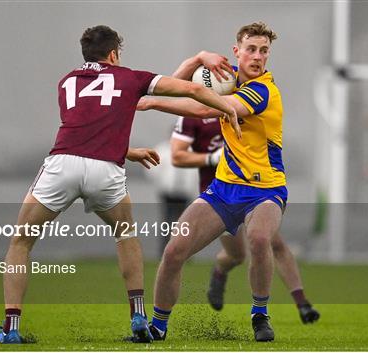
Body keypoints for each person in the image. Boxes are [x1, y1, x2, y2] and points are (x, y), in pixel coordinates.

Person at [0, 25, 239, 345]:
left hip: (63, 166)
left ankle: (11, 328)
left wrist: (126, 150)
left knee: (20, 242)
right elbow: (192, 90)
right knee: (126, 235)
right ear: (115, 53)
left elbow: (83, 132)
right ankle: (138, 315)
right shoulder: (130, 77)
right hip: (106, 171)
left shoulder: (66, 82)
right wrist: (227, 104)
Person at [137, 22, 290, 342]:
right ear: (237, 51)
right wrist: (196, 60)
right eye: (251, 49)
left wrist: (155, 102)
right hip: (223, 188)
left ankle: (260, 315)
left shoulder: (264, 90)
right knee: (175, 250)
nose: (258, 56)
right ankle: (158, 327)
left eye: (264, 51)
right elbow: (170, 86)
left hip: (265, 188)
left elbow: (209, 106)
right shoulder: (227, 77)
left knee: (260, 239)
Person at [170, 115, 320, 324]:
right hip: (218, 198)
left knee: (270, 242)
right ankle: (220, 270)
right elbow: (177, 156)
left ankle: (302, 302)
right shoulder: (193, 114)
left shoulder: (244, 105)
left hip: (253, 194)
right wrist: (211, 158)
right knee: (237, 255)